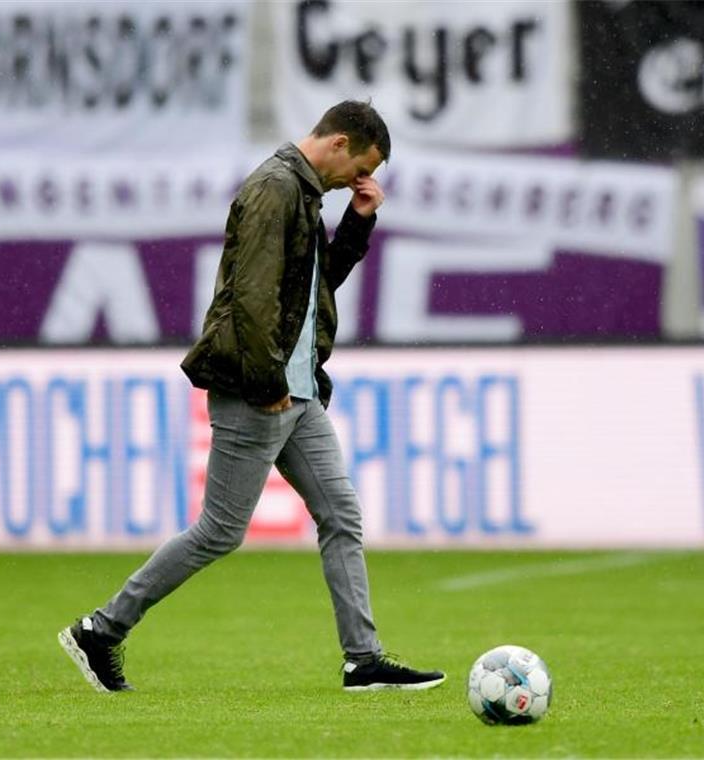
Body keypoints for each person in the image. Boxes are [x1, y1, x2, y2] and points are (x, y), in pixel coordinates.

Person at [58, 100, 445, 694]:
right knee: (219, 531)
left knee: (340, 515)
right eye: (360, 168)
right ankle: (101, 630)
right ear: (338, 143)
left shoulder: (305, 193)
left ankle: (362, 661)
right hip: (260, 391)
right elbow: (252, 298)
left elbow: (313, 290)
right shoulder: (274, 188)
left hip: (297, 393)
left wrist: (360, 222)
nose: (360, 181)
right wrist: (267, 388)